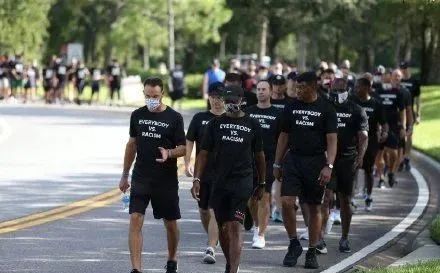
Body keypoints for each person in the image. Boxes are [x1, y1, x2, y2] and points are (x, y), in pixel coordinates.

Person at [192, 85, 266, 273]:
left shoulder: (252, 124)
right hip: (219, 182)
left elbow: (259, 156)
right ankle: (230, 262)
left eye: (234, 101)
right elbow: (203, 154)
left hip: (242, 181)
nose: (230, 104)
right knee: (223, 227)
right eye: (228, 101)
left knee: (234, 226)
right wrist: (197, 180)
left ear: (242, 101)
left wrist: (262, 182)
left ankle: (233, 269)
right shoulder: (214, 124)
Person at [118, 77, 186, 273]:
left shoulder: (174, 117)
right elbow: (132, 145)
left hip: (165, 179)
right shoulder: (137, 115)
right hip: (141, 176)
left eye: (155, 96)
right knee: (135, 218)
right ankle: (136, 269)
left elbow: (183, 148)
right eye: (148, 96)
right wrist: (124, 174)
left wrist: (170, 153)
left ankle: (172, 258)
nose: (151, 100)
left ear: (162, 94)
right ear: (144, 94)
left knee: (170, 222)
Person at [274, 71, 337, 269]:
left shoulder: (326, 108)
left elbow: (332, 139)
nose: (297, 90)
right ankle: (294, 243)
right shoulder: (291, 106)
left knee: (314, 207)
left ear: (313, 86)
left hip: (316, 161)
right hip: (293, 159)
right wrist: (277, 163)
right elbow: (284, 135)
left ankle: (311, 250)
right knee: (286, 202)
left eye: (302, 87)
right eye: (297, 87)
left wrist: (329, 166)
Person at [320, 78, 368, 254]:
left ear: (347, 90)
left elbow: (363, 136)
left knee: (345, 200)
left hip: (347, 161)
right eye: (333, 91)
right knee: (325, 198)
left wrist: (360, 157)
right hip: (327, 160)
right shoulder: (325, 107)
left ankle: (344, 238)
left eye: (340, 91)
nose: (336, 95)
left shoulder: (356, 110)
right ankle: (320, 238)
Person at [185, 82, 225, 264]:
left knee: (214, 210)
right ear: (209, 98)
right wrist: (187, 163)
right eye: (214, 97)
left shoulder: (232, 119)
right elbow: (190, 141)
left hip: (223, 172)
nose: (217, 101)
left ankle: (211, 246)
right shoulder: (200, 118)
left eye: (221, 98)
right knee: (203, 210)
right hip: (202, 171)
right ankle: (212, 236)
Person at [245, 80, 281, 249]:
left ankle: (260, 234)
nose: (260, 92)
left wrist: (279, 163)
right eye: (258, 89)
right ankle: (257, 225)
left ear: (271, 91)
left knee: (264, 196)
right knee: (251, 199)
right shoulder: (248, 112)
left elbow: (283, 139)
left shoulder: (277, 114)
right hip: (248, 160)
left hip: (268, 160)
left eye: (264, 89)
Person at [352, 78, 389, 211]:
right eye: (355, 87)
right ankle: (351, 197)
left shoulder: (376, 104)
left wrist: (384, 133)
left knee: (368, 170)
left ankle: (369, 196)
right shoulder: (352, 102)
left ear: (367, 88)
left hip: (371, 141)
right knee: (353, 168)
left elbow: (384, 123)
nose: (356, 89)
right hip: (354, 141)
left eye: (358, 87)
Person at [377, 69, 406, 187]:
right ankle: (381, 177)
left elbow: (403, 111)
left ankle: (391, 172)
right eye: (385, 76)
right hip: (380, 126)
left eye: (390, 76)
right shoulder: (378, 91)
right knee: (379, 154)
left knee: (393, 153)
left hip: (393, 126)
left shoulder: (398, 93)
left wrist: (403, 127)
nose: (387, 78)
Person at [399, 61, 420, 171]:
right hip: (399, 111)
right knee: (400, 134)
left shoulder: (414, 81)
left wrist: (418, 113)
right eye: (402, 68)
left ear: (408, 69)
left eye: (405, 68)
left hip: (410, 111)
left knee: (409, 134)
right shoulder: (399, 79)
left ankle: (406, 157)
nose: (403, 70)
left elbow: (417, 98)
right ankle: (400, 157)